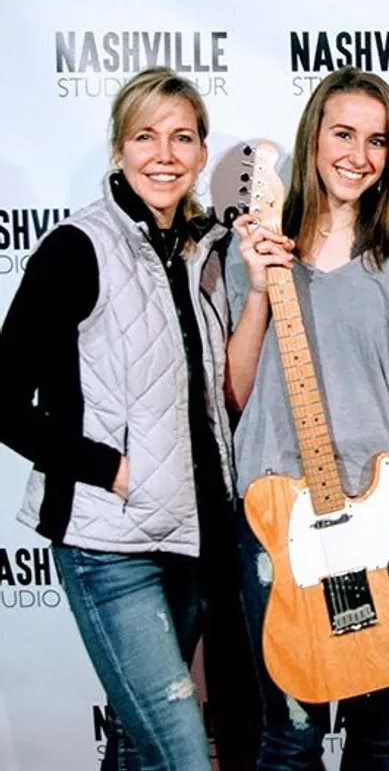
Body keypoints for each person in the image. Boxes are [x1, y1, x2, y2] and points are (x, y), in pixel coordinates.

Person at [0, 67, 235, 770]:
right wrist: (112, 469)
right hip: (110, 544)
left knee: (138, 745)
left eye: (181, 137)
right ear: (117, 148)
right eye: (145, 136)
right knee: (183, 755)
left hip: (192, 540)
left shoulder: (197, 250)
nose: (164, 153)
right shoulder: (79, 248)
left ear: (200, 151)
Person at [226, 66, 389, 771]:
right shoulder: (257, 240)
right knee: (289, 732)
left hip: (376, 515)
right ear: (313, 139)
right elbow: (238, 390)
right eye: (344, 134)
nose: (359, 155)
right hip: (273, 513)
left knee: (385, 735)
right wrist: (262, 289)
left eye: (377, 141)